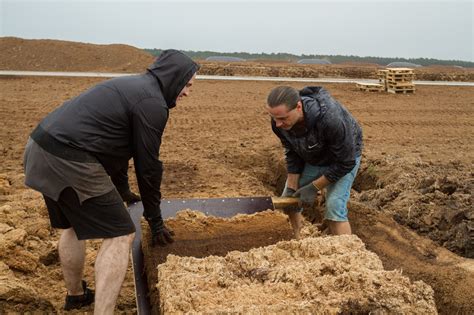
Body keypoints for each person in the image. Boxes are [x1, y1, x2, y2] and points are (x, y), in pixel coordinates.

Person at [23, 50, 199, 314]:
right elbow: (147, 166)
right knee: (121, 233)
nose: (187, 92)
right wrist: (155, 219)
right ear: (174, 77)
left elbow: (114, 148)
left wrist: (124, 191)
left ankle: (76, 296)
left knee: (71, 225)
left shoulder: (133, 86)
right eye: (186, 84)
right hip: (69, 158)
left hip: (40, 148)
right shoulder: (152, 104)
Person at [266, 86, 363, 238]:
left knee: (335, 204)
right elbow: (292, 151)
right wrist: (292, 186)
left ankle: (347, 251)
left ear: (298, 107)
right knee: (289, 200)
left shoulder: (330, 119)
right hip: (314, 156)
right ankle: (299, 239)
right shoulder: (279, 124)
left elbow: (346, 162)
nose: (278, 124)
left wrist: (313, 187)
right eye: (274, 118)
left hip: (344, 158)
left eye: (283, 118)